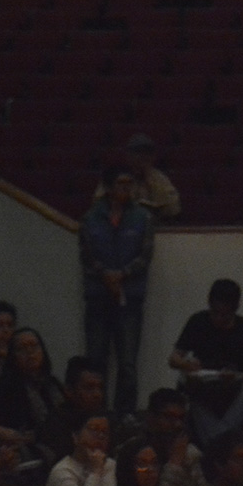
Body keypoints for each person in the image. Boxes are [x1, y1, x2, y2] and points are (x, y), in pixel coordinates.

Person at [79, 164, 155, 414]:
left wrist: (122, 274)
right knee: (96, 360)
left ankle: (126, 415)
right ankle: (94, 412)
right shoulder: (91, 217)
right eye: (121, 184)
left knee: (127, 364)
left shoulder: (143, 217)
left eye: (129, 184)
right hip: (98, 296)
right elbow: (86, 256)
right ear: (110, 187)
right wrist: (105, 274)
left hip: (129, 298)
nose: (126, 189)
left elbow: (145, 256)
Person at [169, 279, 243, 446]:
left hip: (234, 390)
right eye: (215, 313)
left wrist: (237, 376)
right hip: (203, 386)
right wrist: (187, 365)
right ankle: (221, 441)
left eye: (225, 315)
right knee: (187, 383)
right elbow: (174, 358)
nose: (219, 319)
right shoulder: (198, 321)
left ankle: (214, 442)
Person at [93, 133, 181, 221]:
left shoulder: (160, 179)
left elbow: (174, 209)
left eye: (147, 153)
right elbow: (97, 204)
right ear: (128, 155)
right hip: (119, 225)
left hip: (153, 225)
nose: (142, 157)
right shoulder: (115, 175)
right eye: (137, 153)